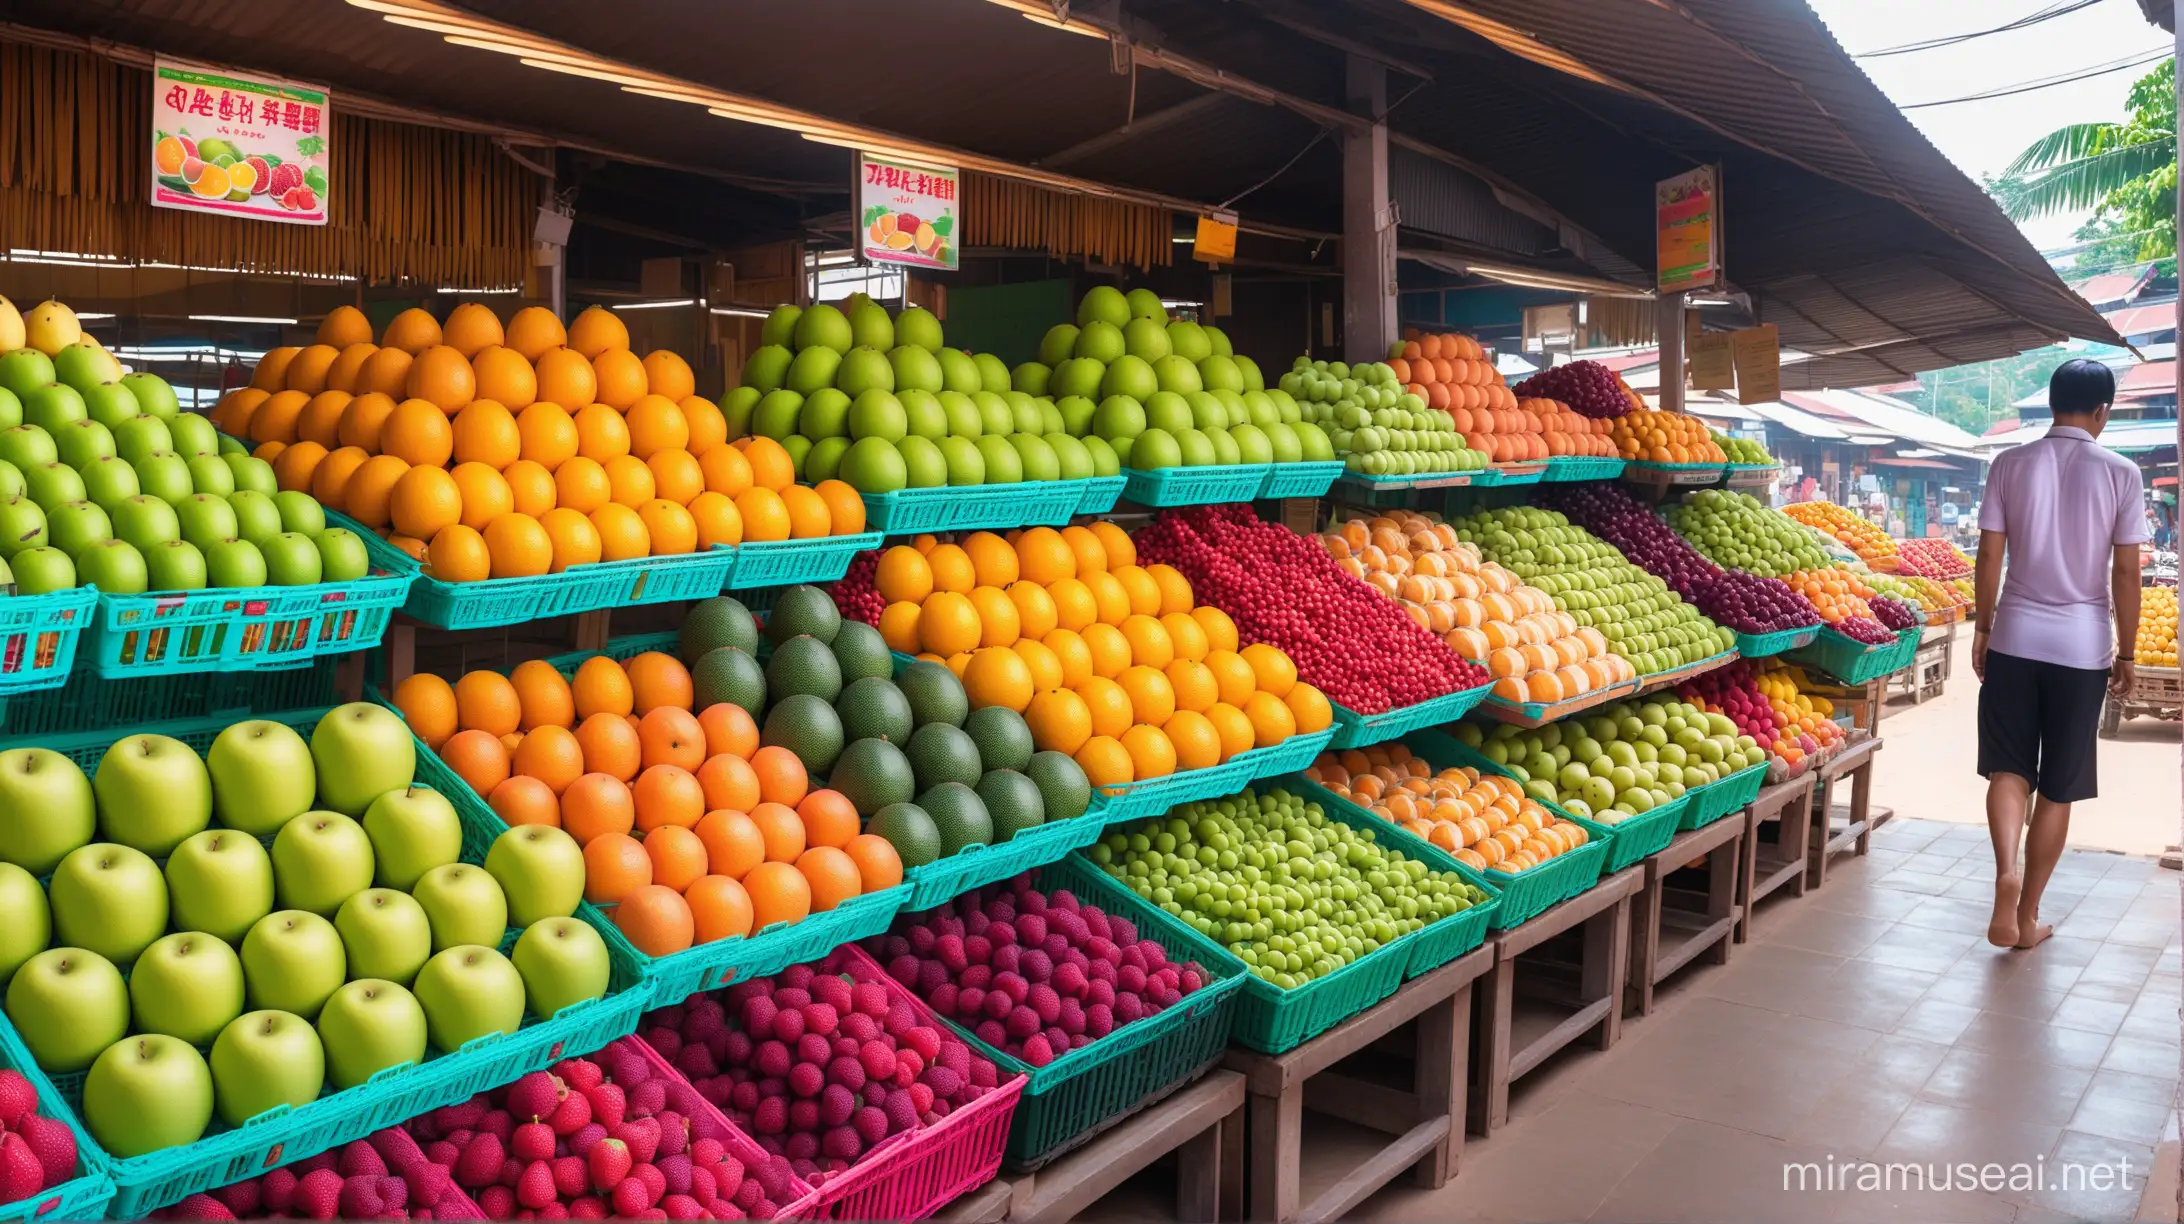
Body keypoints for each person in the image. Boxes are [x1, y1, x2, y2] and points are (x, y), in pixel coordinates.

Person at [1973, 358, 2145, 949]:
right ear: (2103, 412)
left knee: (2007, 767)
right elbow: (2126, 571)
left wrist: (1984, 629)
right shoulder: (2122, 472)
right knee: (2059, 785)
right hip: (2082, 647)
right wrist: (2128, 651)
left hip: (2015, 637)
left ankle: (2004, 874)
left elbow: (1989, 557)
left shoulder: (2009, 463)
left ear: (2051, 403)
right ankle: (2027, 914)